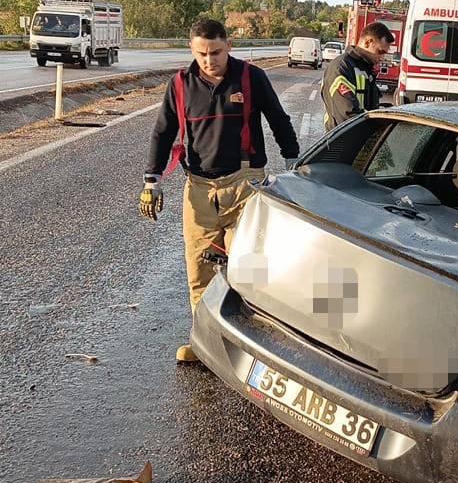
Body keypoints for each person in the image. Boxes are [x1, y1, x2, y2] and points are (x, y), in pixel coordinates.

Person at [139, 19, 300, 363]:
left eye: (215, 52)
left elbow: (277, 118)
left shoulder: (250, 77)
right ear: (192, 50)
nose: (209, 60)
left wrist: (293, 159)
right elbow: (162, 133)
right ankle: (204, 342)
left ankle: (254, 344)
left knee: (249, 268)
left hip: (245, 184)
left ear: (229, 45)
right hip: (199, 189)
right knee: (199, 269)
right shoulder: (180, 85)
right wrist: (151, 179)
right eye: (202, 54)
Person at [322, 22, 395, 131]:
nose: (382, 57)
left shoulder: (365, 68)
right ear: (368, 42)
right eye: (380, 52)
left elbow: (368, 108)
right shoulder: (342, 67)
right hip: (342, 142)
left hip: (359, 139)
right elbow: (348, 114)